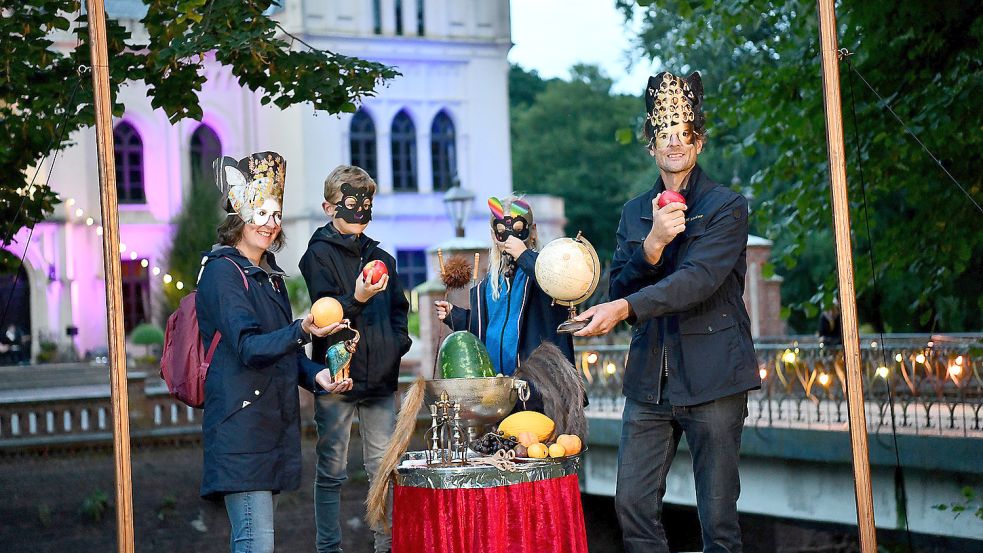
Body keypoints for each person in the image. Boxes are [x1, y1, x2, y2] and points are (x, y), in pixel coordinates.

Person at [573, 72, 759, 553]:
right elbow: (621, 283)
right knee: (632, 506)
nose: (674, 143)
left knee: (718, 522)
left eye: (684, 134)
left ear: (698, 142)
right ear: (651, 146)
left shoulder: (727, 206)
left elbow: (696, 281)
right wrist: (652, 243)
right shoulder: (635, 211)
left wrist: (624, 307)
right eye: (664, 134)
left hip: (714, 378)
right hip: (649, 382)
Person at [196, 151, 353, 553]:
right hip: (240, 428)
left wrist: (316, 375)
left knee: (257, 541)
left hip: (268, 425)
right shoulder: (222, 273)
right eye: (261, 213)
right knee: (255, 542)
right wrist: (301, 328)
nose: (271, 223)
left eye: (276, 215)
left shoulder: (270, 276)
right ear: (238, 214)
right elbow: (249, 347)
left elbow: (280, 348)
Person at [299, 165, 412, 553]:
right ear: (329, 207)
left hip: (380, 378)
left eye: (367, 202)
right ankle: (329, 548)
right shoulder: (316, 256)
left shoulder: (383, 258)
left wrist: (397, 346)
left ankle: (387, 545)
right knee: (332, 468)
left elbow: (400, 309)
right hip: (337, 377)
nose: (360, 210)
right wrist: (359, 297)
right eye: (351, 203)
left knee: (383, 469)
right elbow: (327, 316)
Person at [435, 196, 574, 375]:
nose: (510, 239)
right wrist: (455, 315)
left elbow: (558, 285)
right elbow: (486, 326)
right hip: (497, 384)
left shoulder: (544, 269)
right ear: (494, 235)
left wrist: (524, 256)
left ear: (532, 231)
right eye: (502, 232)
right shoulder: (490, 283)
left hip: (539, 383)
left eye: (518, 231)